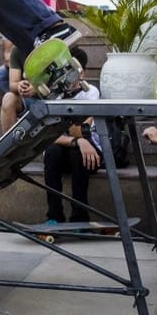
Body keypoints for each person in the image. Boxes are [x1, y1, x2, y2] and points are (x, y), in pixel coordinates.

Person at [40, 47, 101, 224]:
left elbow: (81, 130)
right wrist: (77, 142)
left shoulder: (91, 92)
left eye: (76, 69)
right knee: (52, 151)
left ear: (83, 72)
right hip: (66, 150)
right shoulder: (54, 94)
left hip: (90, 155)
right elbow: (49, 135)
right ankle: (54, 216)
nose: (73, 74)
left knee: (78, 153)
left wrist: (72, 95)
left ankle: (80, 217)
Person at [0, 0, 40, 94]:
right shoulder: (10, 17)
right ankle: (23, 101)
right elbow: (7, 56)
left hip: (41, 63)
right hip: (19, 61)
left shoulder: (44, 14)